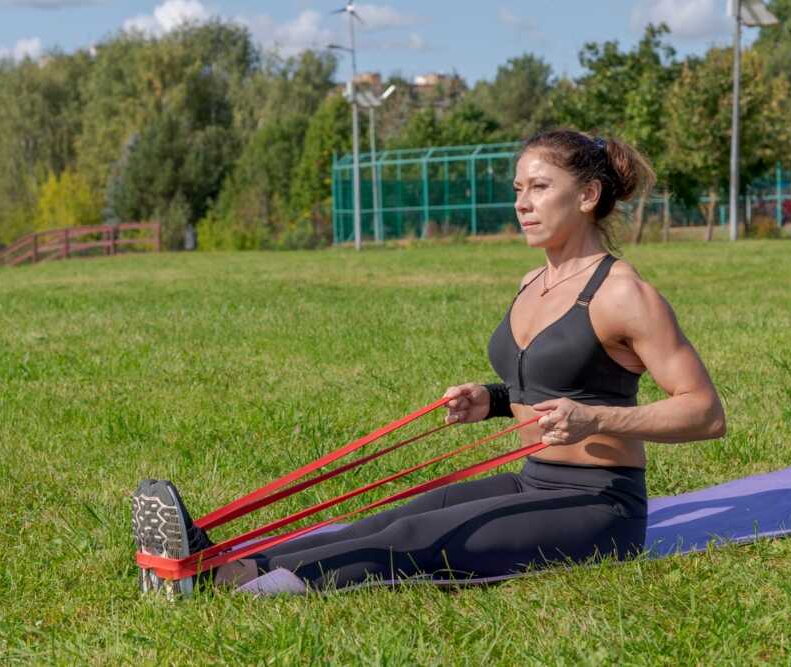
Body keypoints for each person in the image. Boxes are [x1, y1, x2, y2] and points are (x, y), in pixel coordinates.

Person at [132, 129, 726, 597]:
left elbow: (704, 412)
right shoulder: (532, 281)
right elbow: (552, 380)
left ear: (588, 196)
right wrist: (491, 399)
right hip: (530, 479)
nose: (522, 202)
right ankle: (214, 566)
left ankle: (245, 590)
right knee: (380, 523)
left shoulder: (624, 293)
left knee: (418, 539)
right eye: (518, 188)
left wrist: (597, 422)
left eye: (539, 187)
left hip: (600, 506)